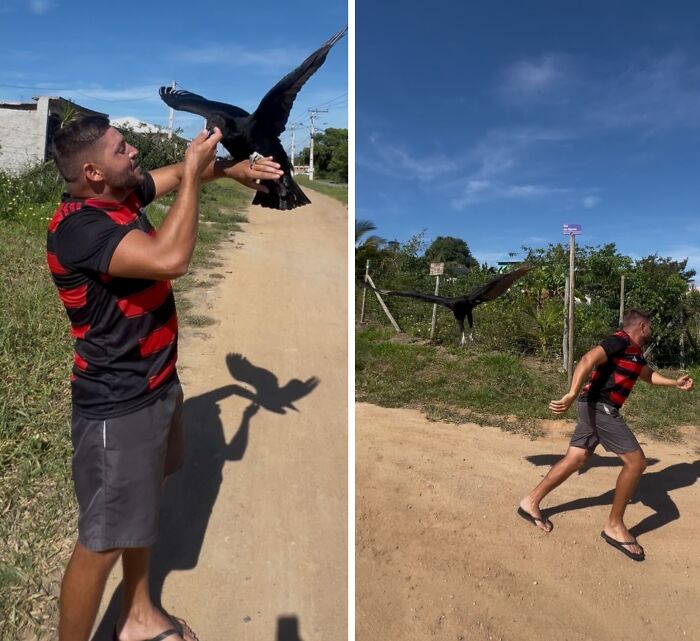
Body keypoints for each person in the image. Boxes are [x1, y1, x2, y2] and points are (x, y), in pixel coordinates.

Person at [47, 115, 283, 641]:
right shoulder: (80, 227)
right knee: (102, 541)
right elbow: (170, 258)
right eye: (121, 148)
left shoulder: (120, 195)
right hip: (117, 404)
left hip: (156, 385)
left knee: (144, 503)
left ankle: (137, 617)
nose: (133, 152)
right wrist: (200, 178)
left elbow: (172, 175)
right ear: (92, 171)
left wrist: (229, 169)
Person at [518, 309, 694, 561]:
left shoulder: (634, 352)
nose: (652, 330)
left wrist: (675, 383)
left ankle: (530, 501)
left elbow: (647, 375)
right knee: (636, 463)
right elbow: (587, 359)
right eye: (650, 326)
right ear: (642, 327)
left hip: (593, 406)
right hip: (600, 406)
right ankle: (614, 525)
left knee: (576, 458)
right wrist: (570, 393)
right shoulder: (620, 340)